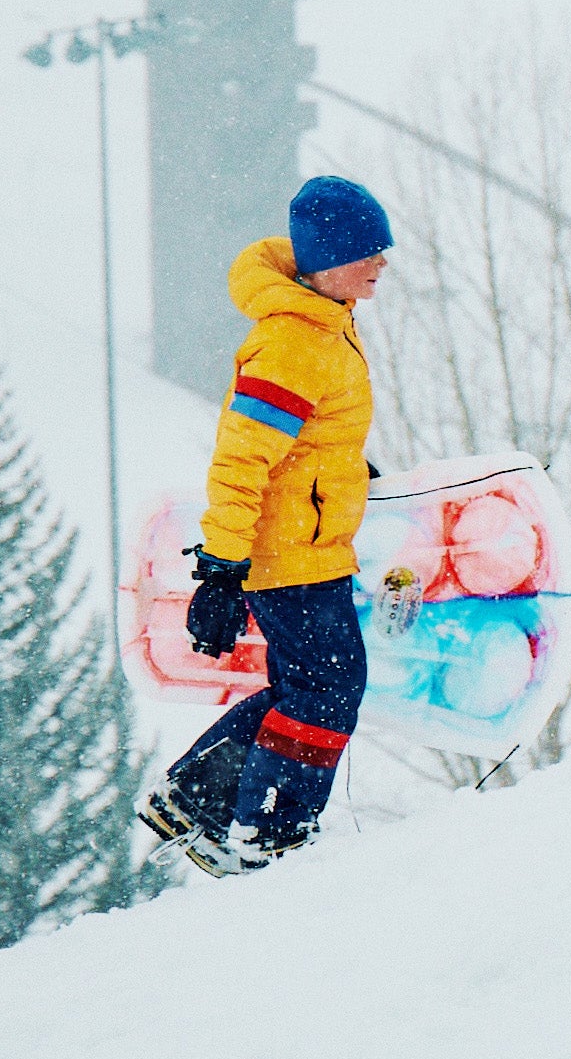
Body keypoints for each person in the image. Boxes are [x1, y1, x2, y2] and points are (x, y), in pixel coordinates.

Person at [138, 175, 387, 873]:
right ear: (328, 259)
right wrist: (219, 570)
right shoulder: (291, 342)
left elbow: (304, 438)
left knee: (305, 686)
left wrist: (347, 468)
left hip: (308, 545)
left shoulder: (327, 323)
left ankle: (199, 803)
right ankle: (270, 836)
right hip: (288, 556)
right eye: (369, 250)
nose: (382, 262)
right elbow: (241, 459)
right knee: (329, 688)